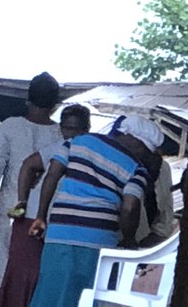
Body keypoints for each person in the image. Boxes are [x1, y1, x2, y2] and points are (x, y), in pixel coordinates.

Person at [27, 115, 164, 307]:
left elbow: (52, 174)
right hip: (98, 240)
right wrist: (129, 238)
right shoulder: (136, 168)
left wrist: (41, 216)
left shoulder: (79, 142)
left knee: (50, 292)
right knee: (86, 296)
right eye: (144, 148)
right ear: (132, 138)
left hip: (60, 232)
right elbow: (130, 206)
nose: (143, 153)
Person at [0, 72, 63, 307]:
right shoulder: (61, 135)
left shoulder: (11, 127)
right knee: (34, 280)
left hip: (11, 215)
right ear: (55, 105)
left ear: (28, 99)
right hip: (45, 220)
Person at [0, 105, 91, 307]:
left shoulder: (82, 149)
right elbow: (29, 165)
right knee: (23, 278)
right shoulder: (62, 148)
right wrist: (22, 201)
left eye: (76, 129)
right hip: (35, 220)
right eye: (67, 128)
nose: (71, 134)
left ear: (87, 128)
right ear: (61, 128)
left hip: (55, 224)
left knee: (39, 280)